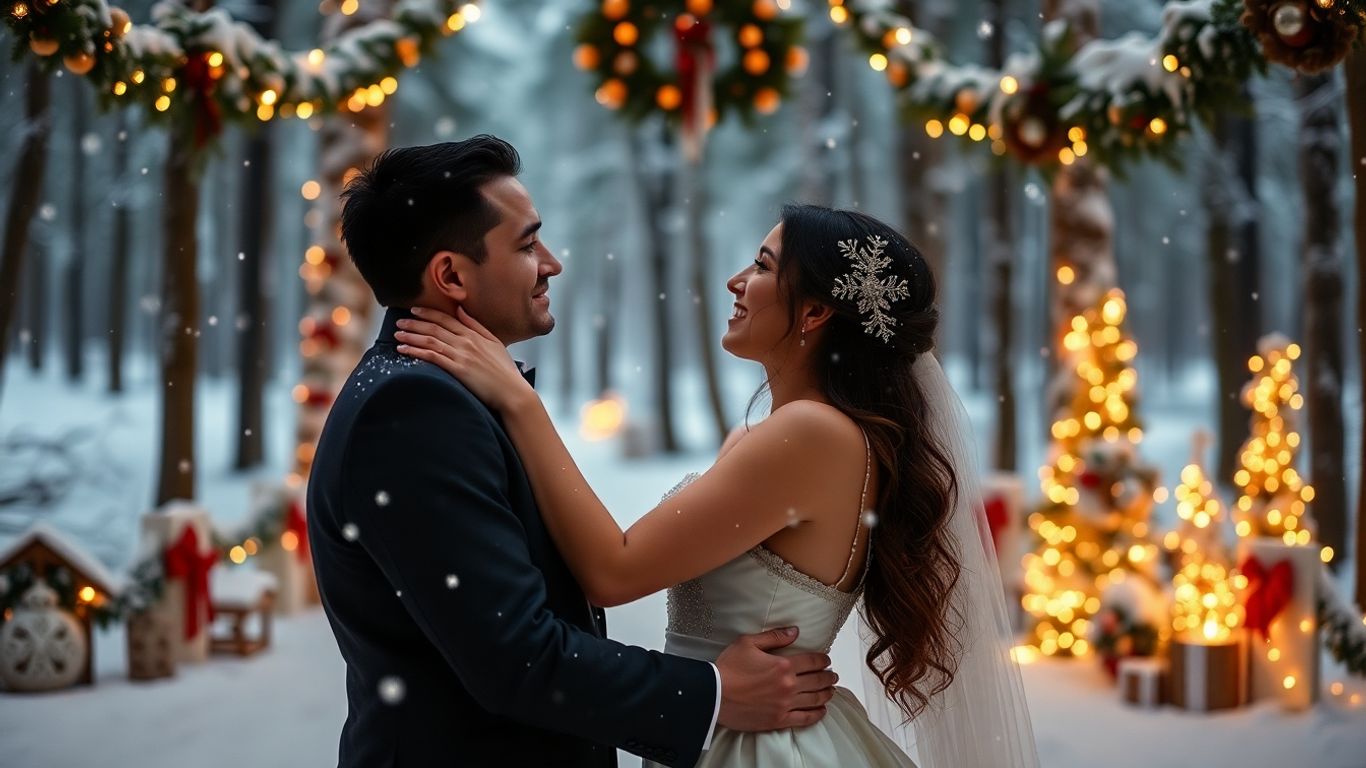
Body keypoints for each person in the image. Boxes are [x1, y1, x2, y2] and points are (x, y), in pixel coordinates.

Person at [396, 204, 1041, 767]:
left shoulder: (813, 434)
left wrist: (519, 403)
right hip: (733, 729)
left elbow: (613, 571)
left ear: (815, 311)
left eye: (761, 266)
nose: (736, 282)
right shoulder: (779, 436)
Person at [307, 136, 838, 768]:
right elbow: (515, 657)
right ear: (451, 275)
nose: (553, 264)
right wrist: (714, 694)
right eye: (528, 245)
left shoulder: (436, 391)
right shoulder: (413, 411)